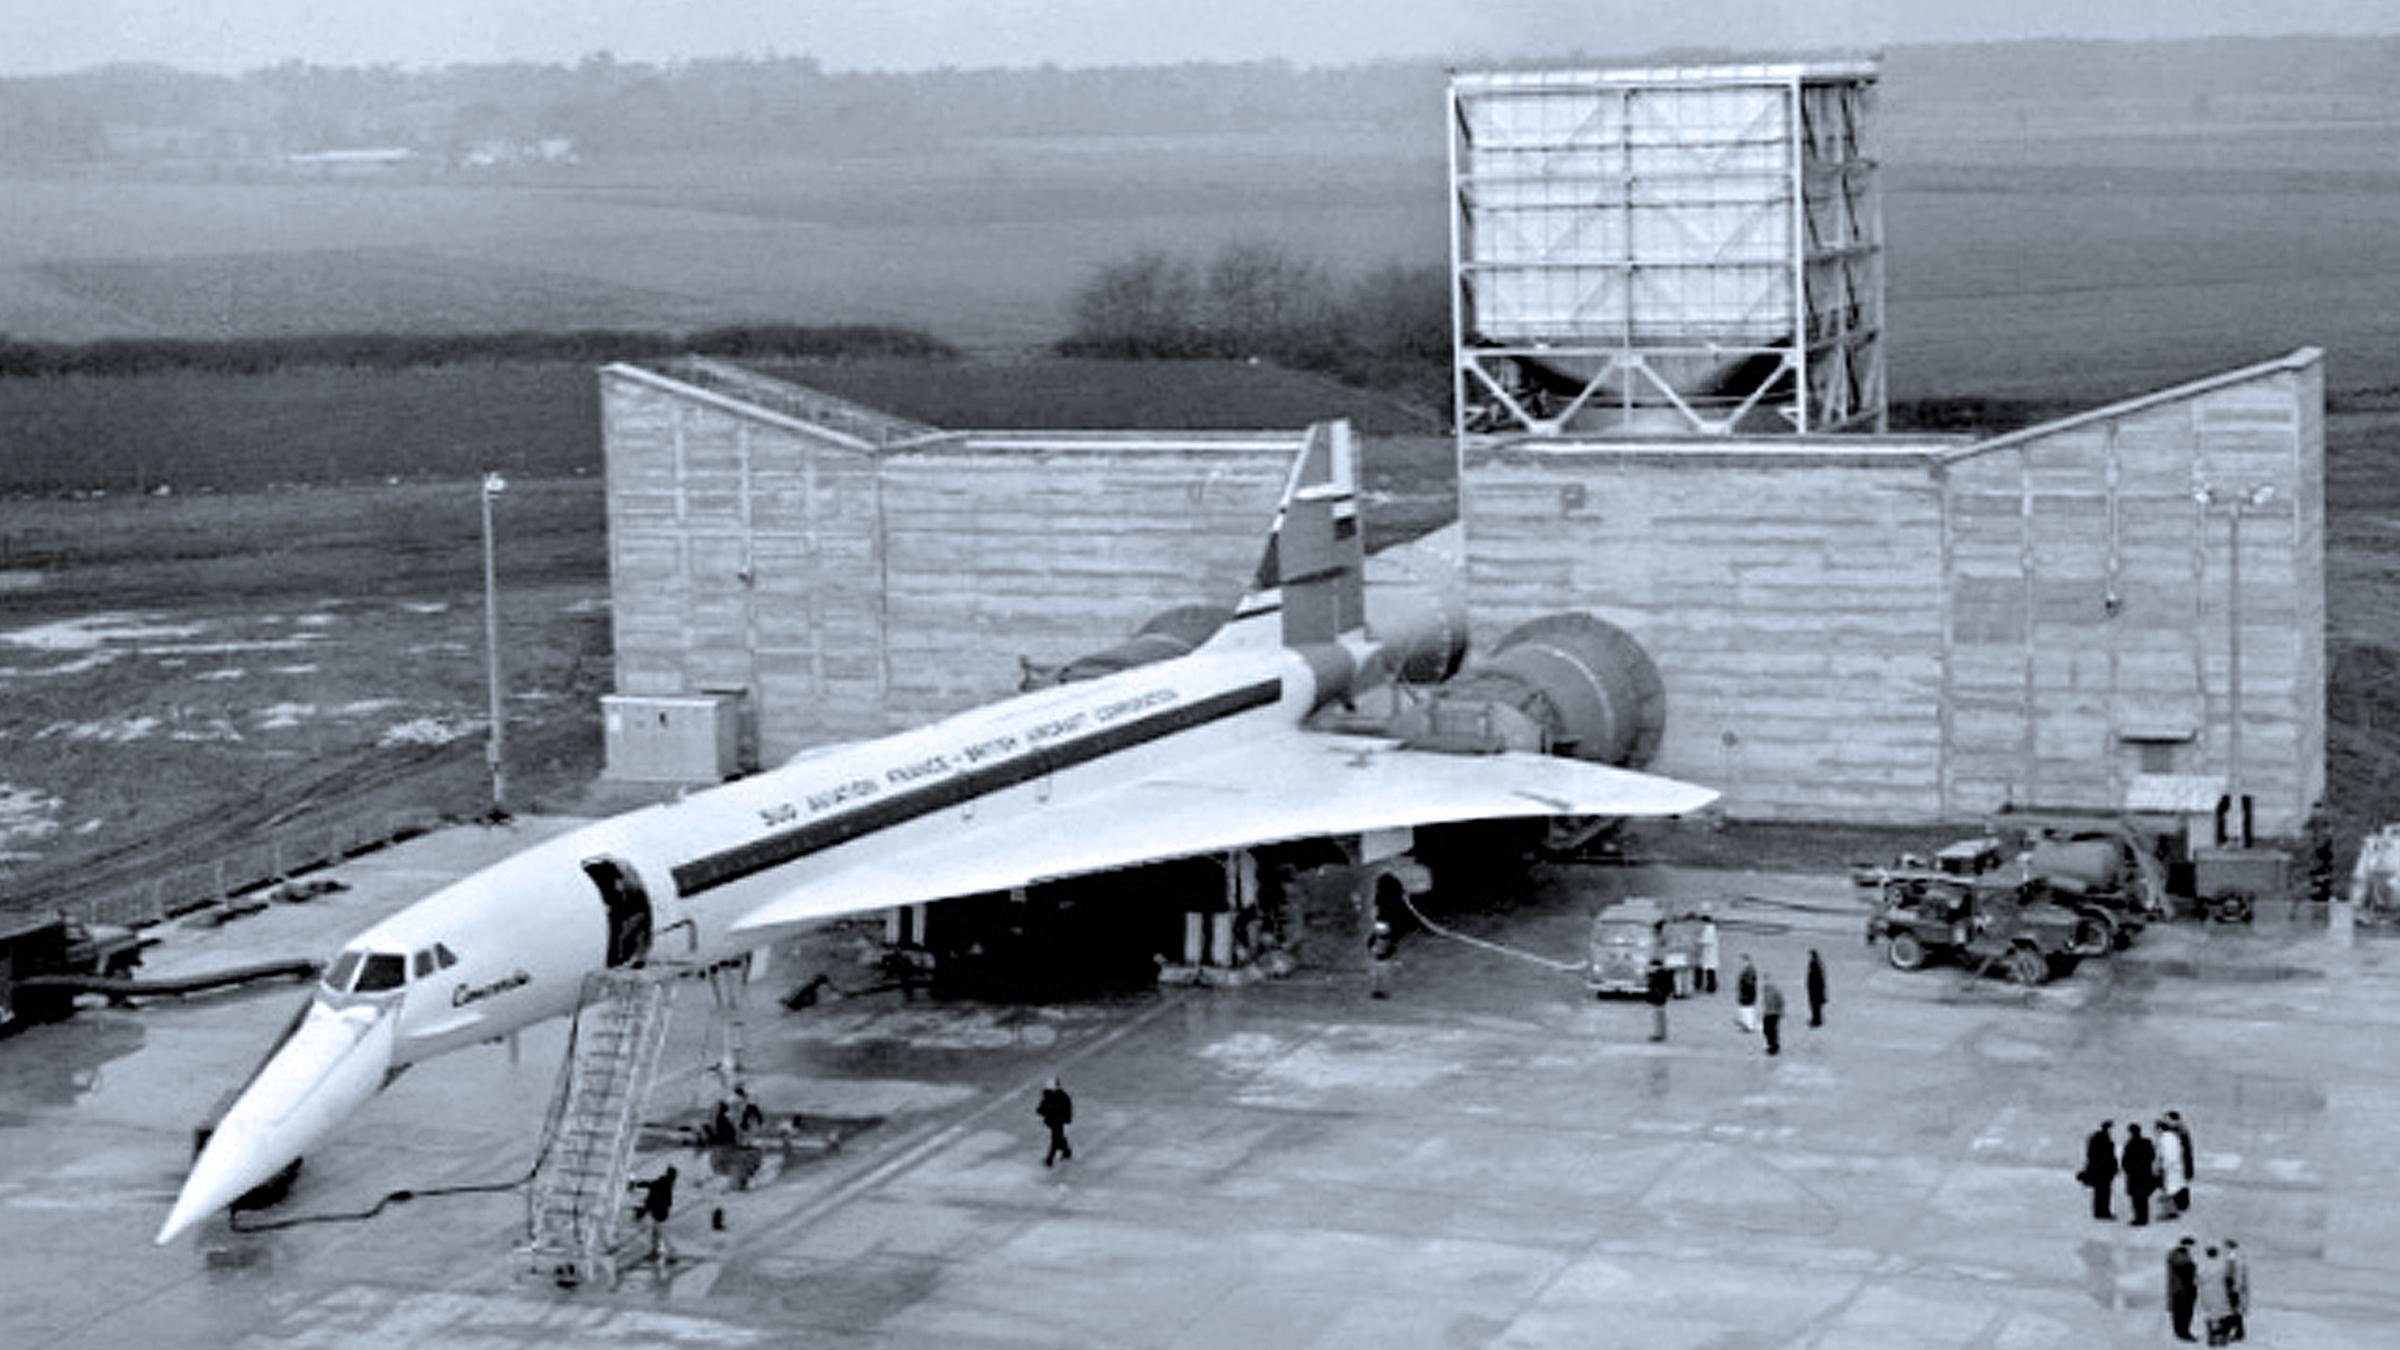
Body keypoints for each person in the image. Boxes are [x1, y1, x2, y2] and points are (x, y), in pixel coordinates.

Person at [629, 1164, 678, 1265]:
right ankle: (655, 1251)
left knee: (661, 1234)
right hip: (660, 1212)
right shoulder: (667, 1183)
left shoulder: (663, 1183)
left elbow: (651, 1188)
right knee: (656, 1233)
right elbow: (653, 1188)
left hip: (658, 1213)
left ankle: (671, 1253)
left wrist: (644, 1209)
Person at [2080, 1119, 2118, 1220]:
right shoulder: (2106, 1139)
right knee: (2105, 1192)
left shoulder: (2094, 1138)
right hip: (2104, 1170)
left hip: (2097, 1169)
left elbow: (2090, 1155)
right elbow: (2110, 1155)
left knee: (2099, 1192)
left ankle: (2099, 1212)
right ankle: (2104, 1212)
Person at [2121, 1123, 2158, 1226]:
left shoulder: (2130, 1144)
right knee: (2144, 1198)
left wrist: (2128, 1170)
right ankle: (2144, 1218)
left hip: (2134, 1176)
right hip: (2145, 1174)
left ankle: (2139, 1218)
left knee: (2136, 1199)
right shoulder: (2147, 1142)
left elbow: (2125, 1162)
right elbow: (2152, 1156)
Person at [2197, 1244, 2233, 1345]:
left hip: (2206, 1293)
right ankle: (2222, 1338)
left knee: (2210, 1315)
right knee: (2221, 1314)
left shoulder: (2203, 1267)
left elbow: (2198, 1280)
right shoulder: (2221, 1266)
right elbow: (2227, 1277)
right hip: (2220, 1291)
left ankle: (2211, 1337)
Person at [2165, 1237, 2199, 1342]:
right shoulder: (2180, 1256)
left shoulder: (2177, 1255)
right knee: (2183, 1312)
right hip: (2182, 1289)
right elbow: (2184, 1273)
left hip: (2180, 1289)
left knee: (2181, 1312)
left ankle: (2182, 1332)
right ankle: (2183, 1332)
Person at [1037, 1076, 1074, 1167]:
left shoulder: (1057, 1096)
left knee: (1055, 1139)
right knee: (1058, 1137)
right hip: (1055, 1120)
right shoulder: (1060, 1096)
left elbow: (1044, 1107)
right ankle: (1066, 1151)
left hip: (1057, 1120)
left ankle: (1050, 1158)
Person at [2158, 1115, 2189, 1217]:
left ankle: (2170, 1212)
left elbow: (2167, 1155)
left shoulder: (2165, 1139)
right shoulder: (2173, 1137)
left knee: (2169, 1189)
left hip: (2170, 1168)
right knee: (2173, 1188)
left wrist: (2162, 1166)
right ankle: (2173, 1210)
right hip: (2175, 1167)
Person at [2165, 1110, 2196, 1212]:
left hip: (2181, 1161)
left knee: (2181, 1182)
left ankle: (2182, 1203)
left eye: (2168, 1119)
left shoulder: (2179, 1131)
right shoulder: (2180, 1130)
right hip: (2181, 1161)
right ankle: (2180, 1202)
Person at [2223, 1238, 2248, 1341]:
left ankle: (2235, 1331)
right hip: (2237, 1287)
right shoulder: (2239, 1259)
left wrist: (2228, 1286)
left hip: (2233, 1288)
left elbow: (2230, 1274)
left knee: (2232, 1309)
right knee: (2235, 1309)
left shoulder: (2231, 1257)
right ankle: (2238, 1331)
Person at [1645, 957, 1673, 1041]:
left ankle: (1659, 1034)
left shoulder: (1659, 975)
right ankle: (1660, 1033)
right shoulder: (1663, 974)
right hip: (1659, 998)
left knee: (1658, 1017)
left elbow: (1654, 986)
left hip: (1658, 998)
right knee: (1659, 1017)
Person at [1367, 920, 1397, 999]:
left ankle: (1382, 991)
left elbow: (1392, 948)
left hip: (1384, 960)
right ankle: (1376, 991)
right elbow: (1369, 945)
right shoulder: (1374, 938)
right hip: (1377, 959)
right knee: (1376, 977)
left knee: (1383, 976)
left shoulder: (1389, 939)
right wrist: (1372, 950)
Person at [1760, 975, 1785, 1056]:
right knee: (1766, 1030)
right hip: (1767, 1012)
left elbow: (1781, 1001)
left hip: (1774, 1013)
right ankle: (1772, 1045)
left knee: (1772, 1030)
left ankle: (1774, 1047)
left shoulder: (1775, 990)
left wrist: (1780, 1011)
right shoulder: (1765, 990)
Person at [1735, 956, 1759, 1034]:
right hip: (1747, 993)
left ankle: (1749, 1026)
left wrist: (1744, 992)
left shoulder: (1748, 972)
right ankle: (1746, 1023)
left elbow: (1749, 983)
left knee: (1747, 1008)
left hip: (1748, 993)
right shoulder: (1747, 971)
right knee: (1744, 1008)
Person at [1698, 914, 1721, 994]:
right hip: (1709, 953)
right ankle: (1710, 986)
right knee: (1710, 971)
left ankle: (1711, 987)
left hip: (1709, 953)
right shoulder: (1710, 928)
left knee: (1710, 972)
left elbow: (1706, 941)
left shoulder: (1709, 929)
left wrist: (1698, 941)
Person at [1804, 949, 1828, 1027]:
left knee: (1815, 1005)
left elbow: (1816, 978)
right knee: (1815, 1005)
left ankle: (1816, 1020)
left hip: (1815, 989)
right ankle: (1816, 1019)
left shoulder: (1814, 965)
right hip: (1814, 988)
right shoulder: (1816, 964)